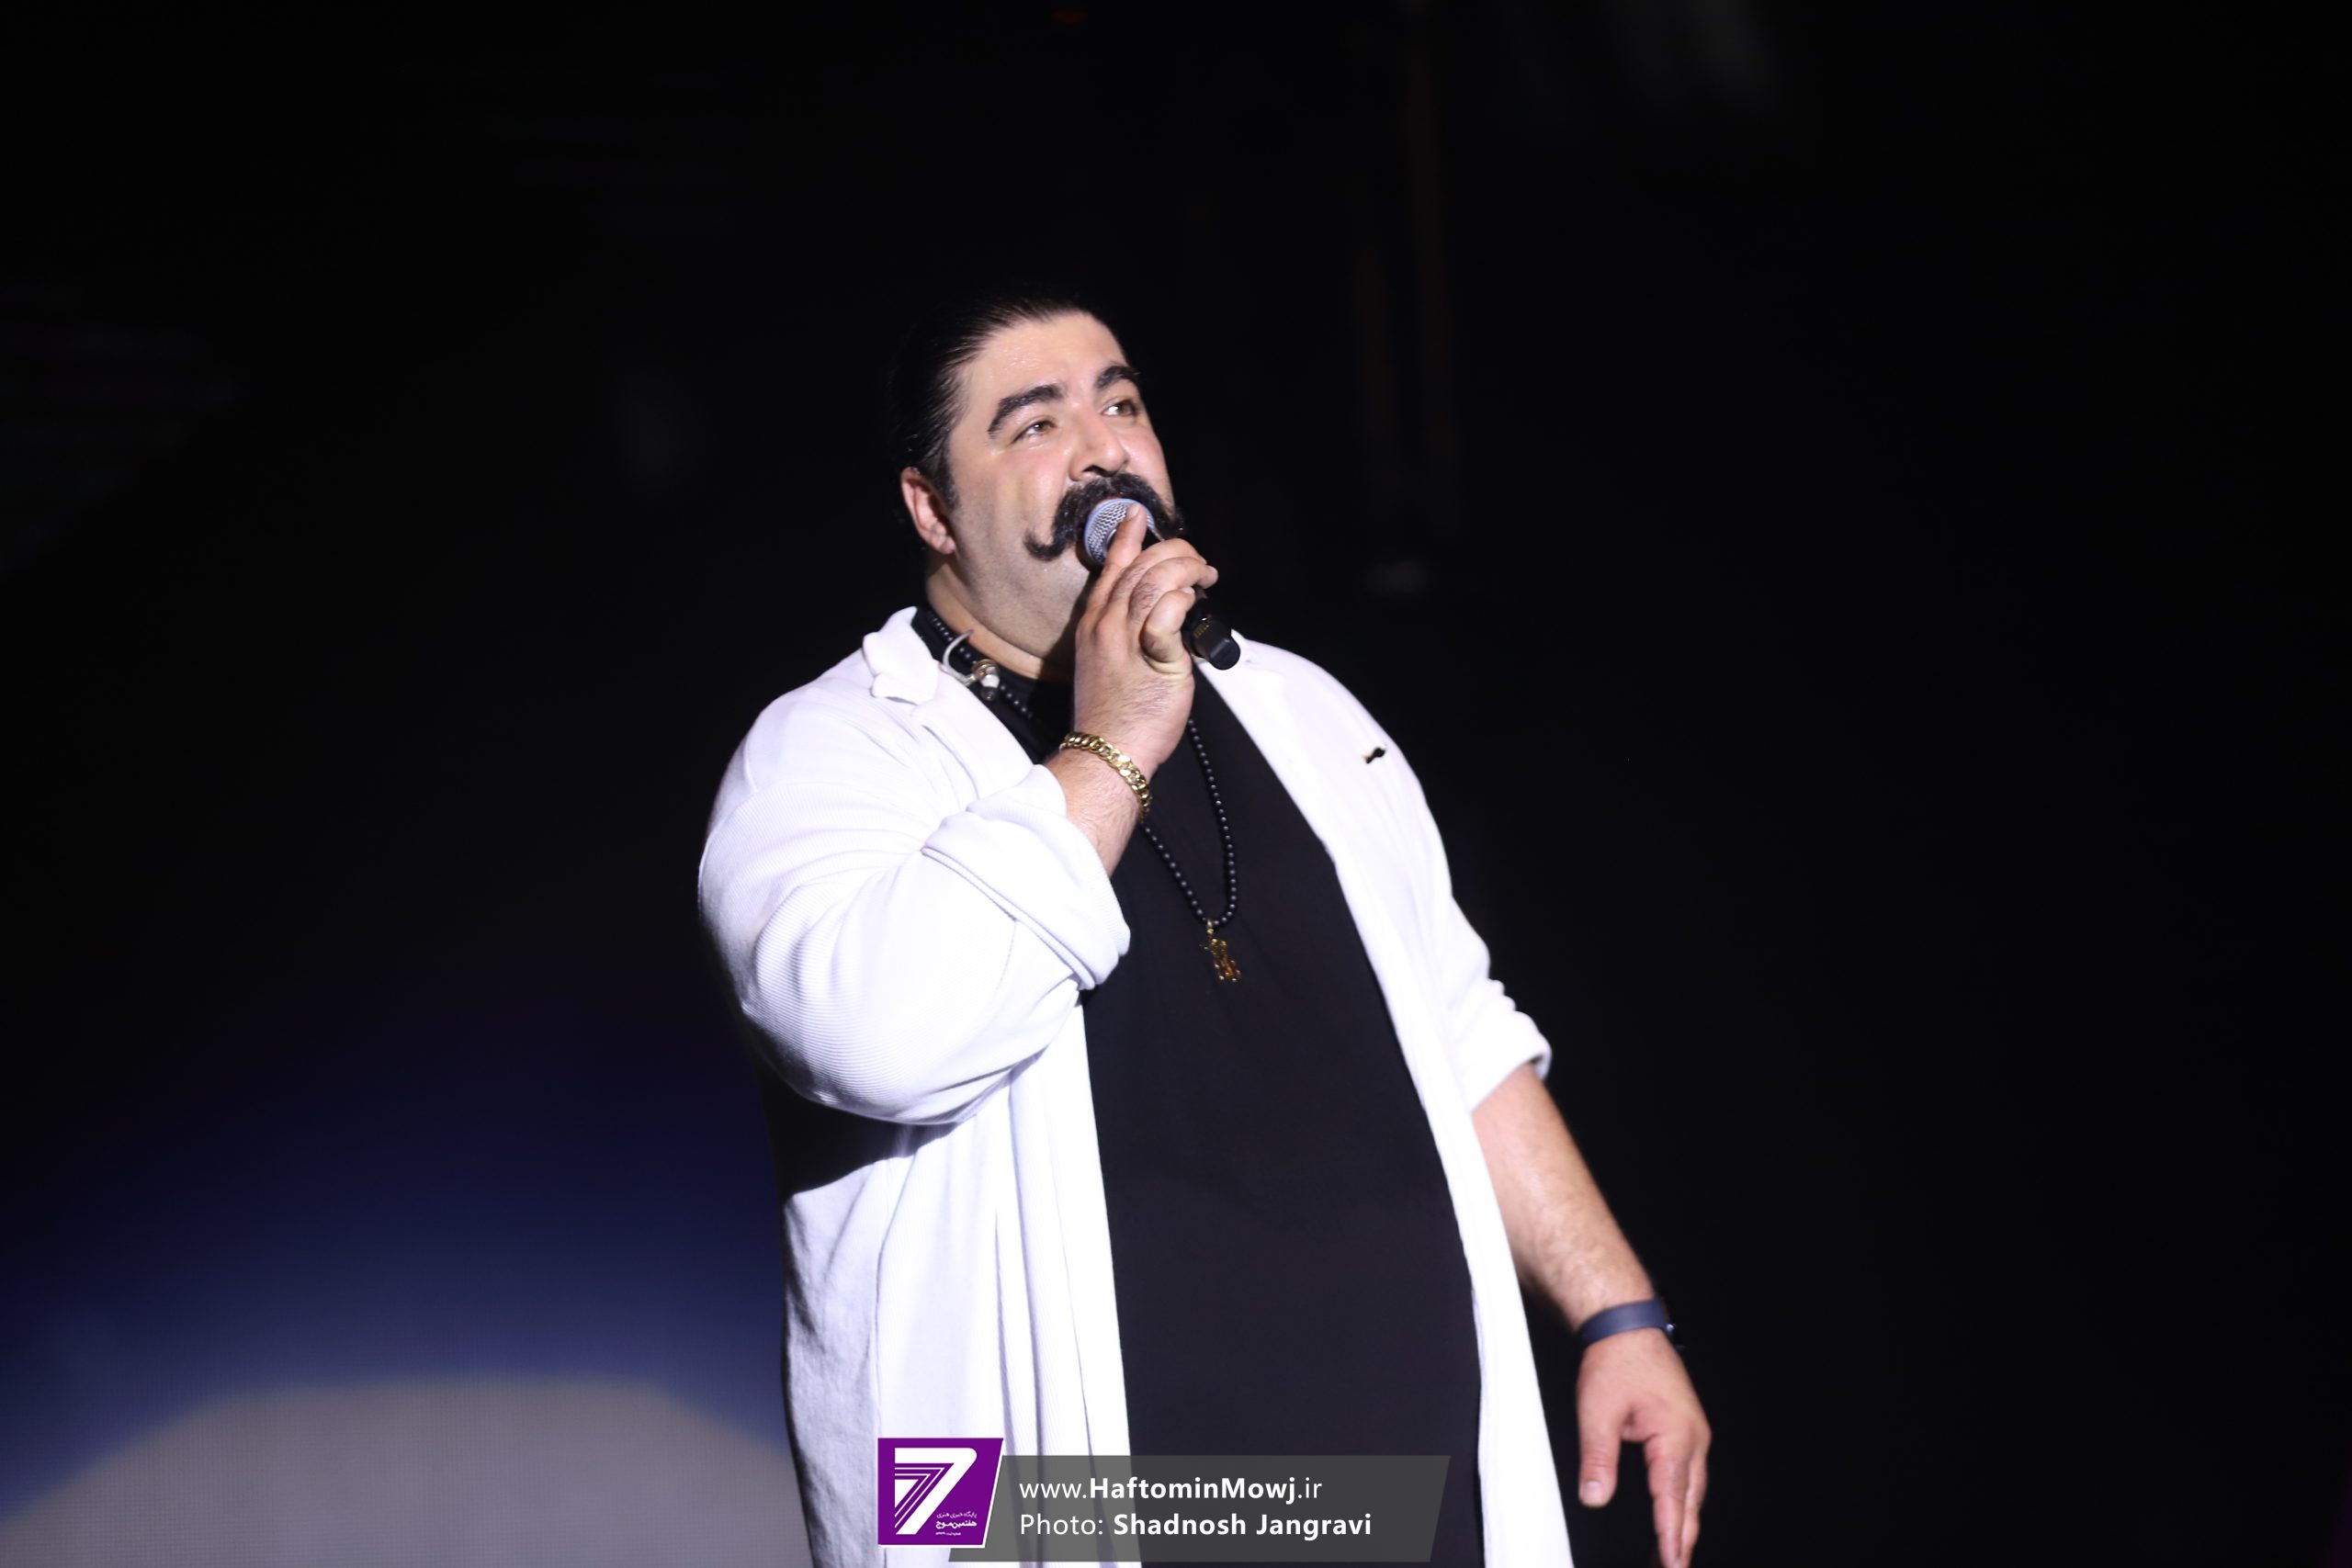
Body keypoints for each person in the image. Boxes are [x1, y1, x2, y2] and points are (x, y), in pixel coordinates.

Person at [697, 288, 1709, 1567]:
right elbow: (877, 1038)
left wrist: (1618, 1310)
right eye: (1035, 423)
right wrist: (1113, 741)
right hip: (1064, 1513)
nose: (1102, 447)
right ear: (932, 509)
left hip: (1397, 1498)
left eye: (1121, 403)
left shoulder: (1301, 707)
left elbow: (1458, 1031)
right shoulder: (834, 749)